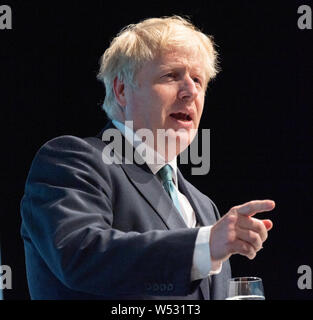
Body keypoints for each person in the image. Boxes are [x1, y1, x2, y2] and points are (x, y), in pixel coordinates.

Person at [20, 16, 275, 300]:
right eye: (171, 75)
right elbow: (80, 254)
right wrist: (203, 245)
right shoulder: (72, 161)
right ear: (121, 91)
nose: (191, 91)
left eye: (198, 80)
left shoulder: (205, 207)